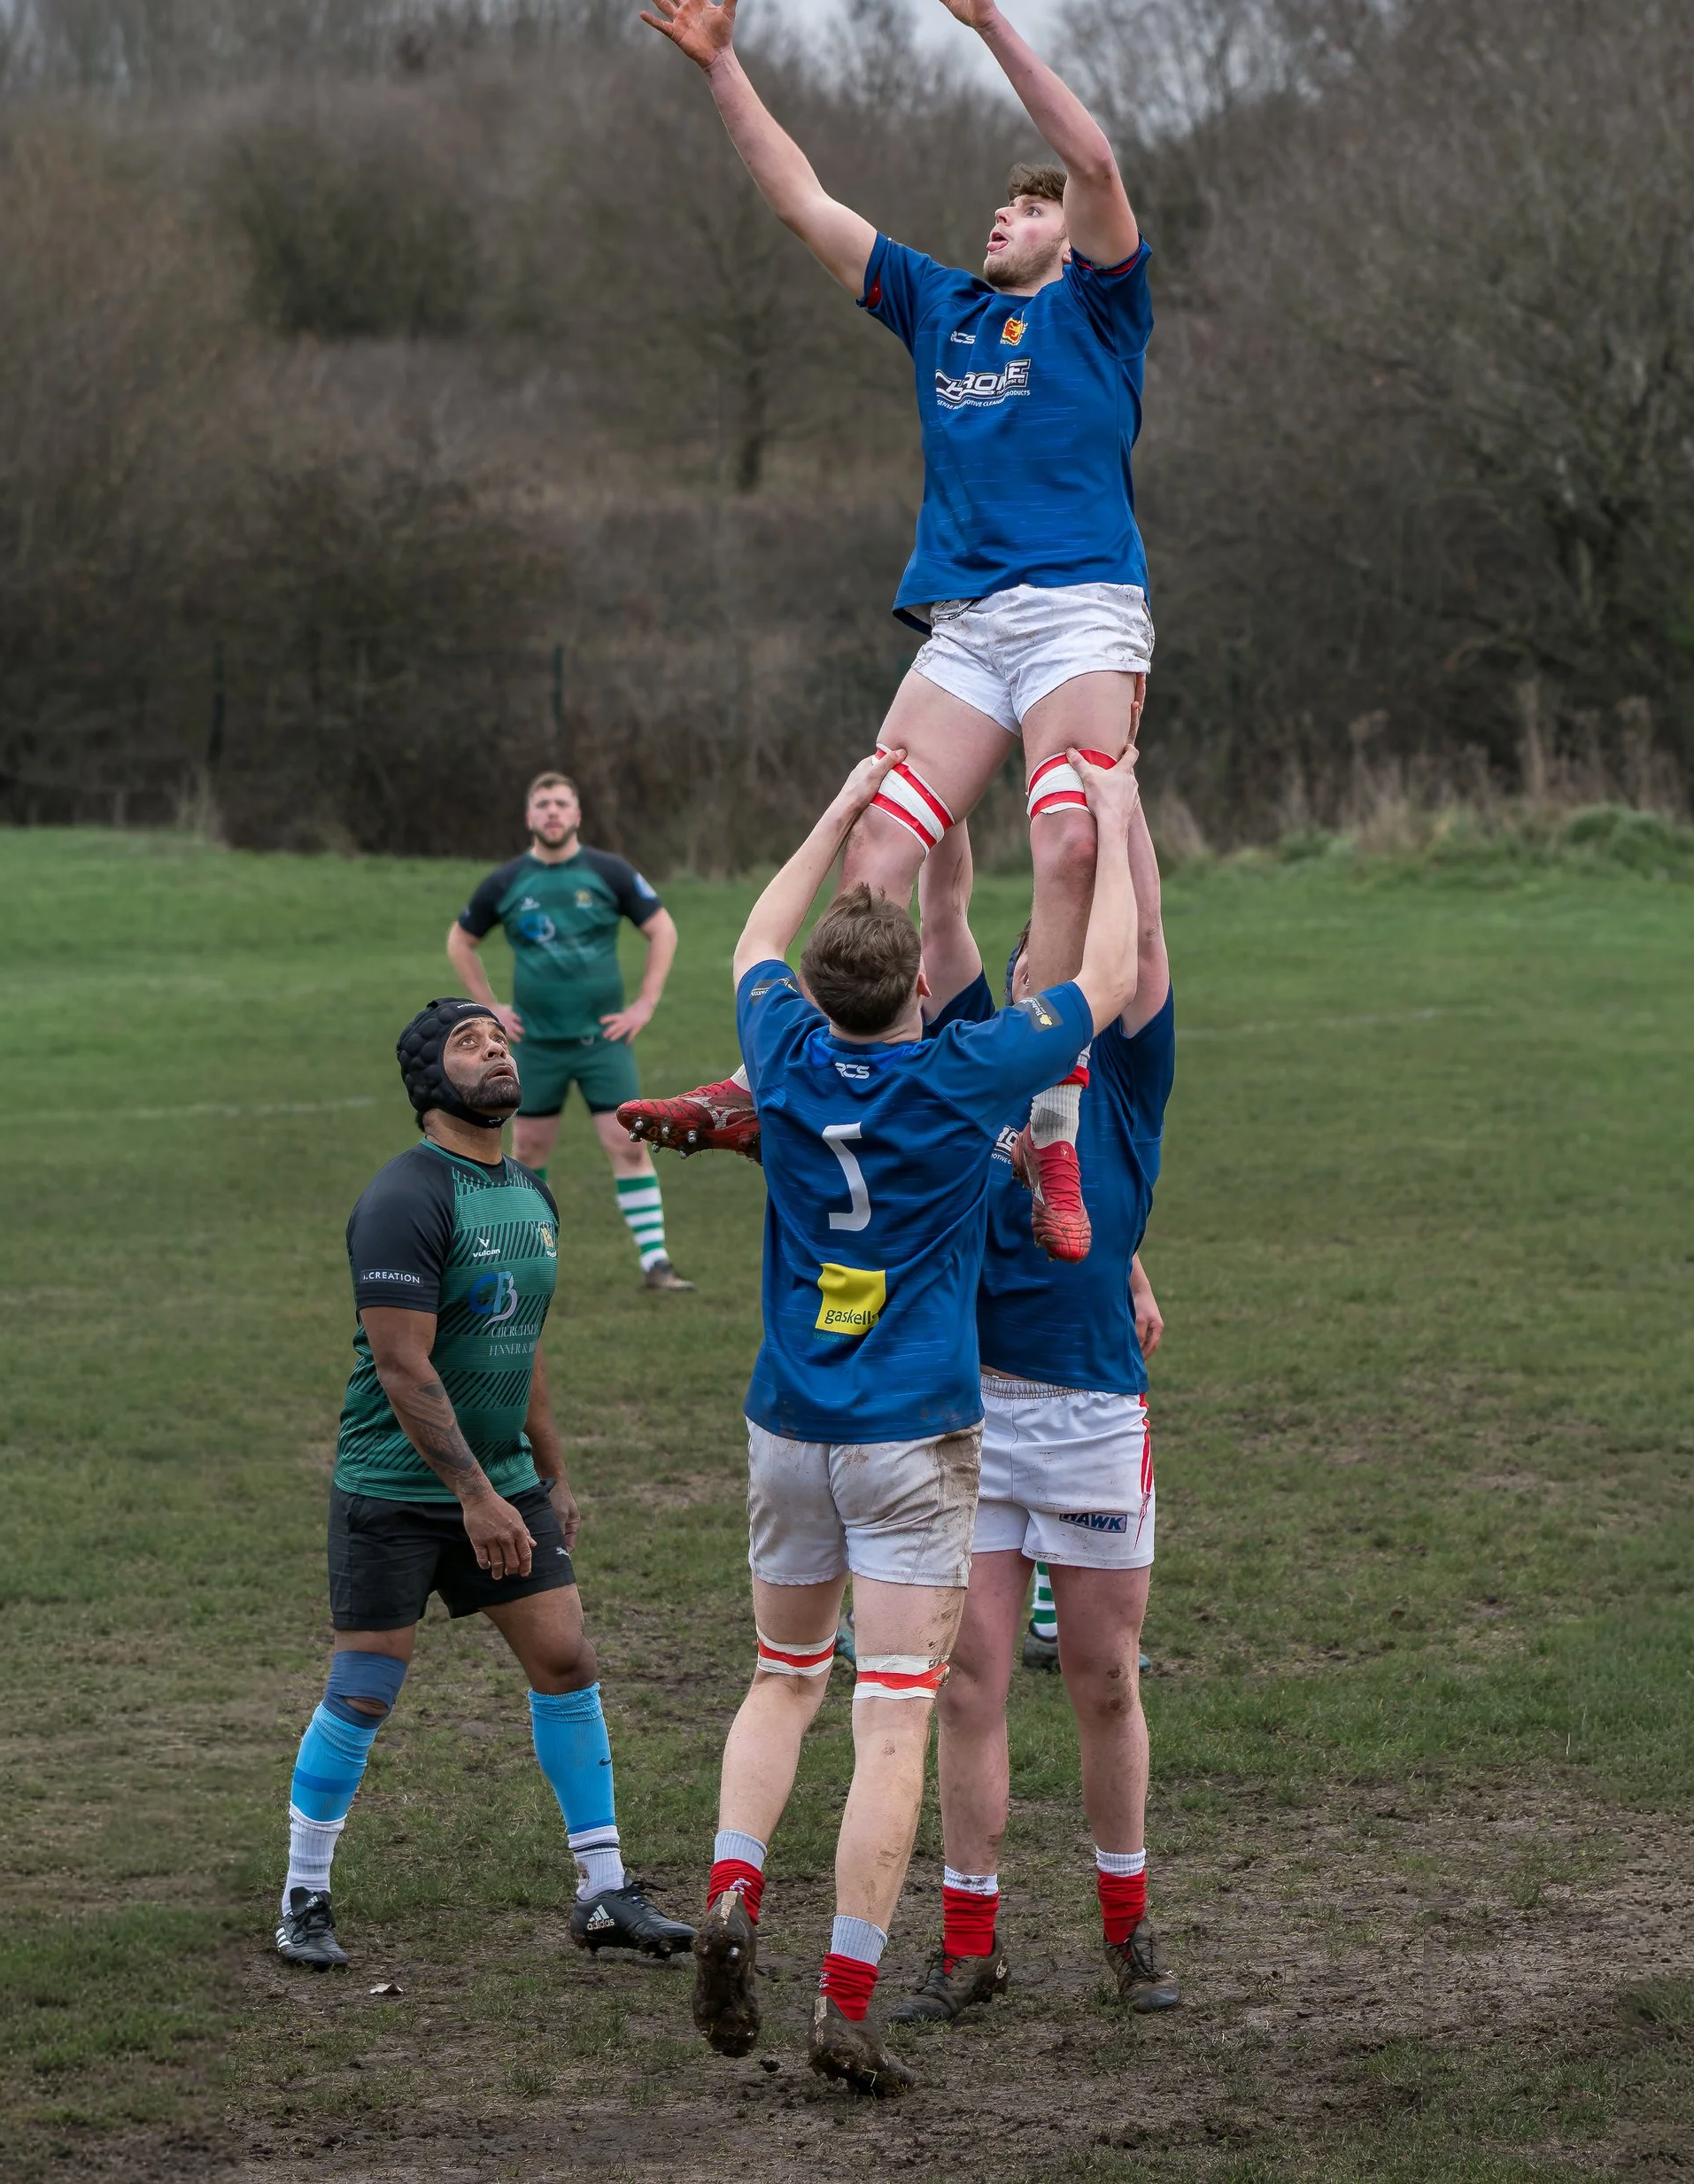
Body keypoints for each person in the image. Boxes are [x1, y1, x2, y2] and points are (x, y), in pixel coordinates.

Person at [631, 0, 1155, 1253]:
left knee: (1074, 846)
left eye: (1027, 213)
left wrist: (992, 29)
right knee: (875, 850)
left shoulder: (1099, 313)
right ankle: (794, 1090)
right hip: (971, 630)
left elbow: (1094, 164)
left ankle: (1047, 1138)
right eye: (1001, 208)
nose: (1007, 218)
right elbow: (804, 201)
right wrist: (723, 71)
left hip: (1083, 611)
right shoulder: (940, 310)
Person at [691, 741, 1141, 2097]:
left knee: (782, 1678)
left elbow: (756, 933)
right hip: (914, 1442)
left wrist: (850, 801)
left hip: (788, 1424)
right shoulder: (962, 1077)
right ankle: (843, 2000)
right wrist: (1112, 823)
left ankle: (728, 1893)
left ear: (819, 992)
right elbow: (1106, 980)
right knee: (893, 1719)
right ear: (913, 997)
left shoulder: (778, 1046)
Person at [275, 998, 694, 1972]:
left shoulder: (531, 1194)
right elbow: (402, 1366)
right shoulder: (406, 1196)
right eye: (469, 1043)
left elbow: (525, 1345)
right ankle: (303, 1891)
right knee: (367, 1684)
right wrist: (473, 1494)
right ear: (429, 1083)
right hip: (394, 1483)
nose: (496, 1049)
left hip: (502, 1481)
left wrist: (547, 1471)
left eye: (499, 1038)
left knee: (565, 1660)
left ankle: (601, 1890)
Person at [886, 795, 1180, 2030]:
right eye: (1025, 962)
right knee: (969, 1685)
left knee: (1105, 1676)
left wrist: (1112, 789)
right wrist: (937, 790)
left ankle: (1129, 1935)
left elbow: (1145, 929)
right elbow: (940, 908)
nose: (1039, 967)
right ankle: (970, 1945)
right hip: (976, 1414)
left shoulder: (1120, 1064)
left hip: (1097, 1412)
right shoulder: (973, 1048)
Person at [449, 772, 690, 1290]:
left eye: (561, 804)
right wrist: (489, 1007)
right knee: (528, 1151)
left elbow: (662, 928)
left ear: (577, 815)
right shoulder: (507, 882)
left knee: (628, 1144)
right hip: (534, 1046)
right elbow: (460, 941)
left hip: (604, 1044)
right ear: (529, 818)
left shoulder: (609, 872)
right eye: (543, 804)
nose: (552, 812)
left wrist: (645, 1003)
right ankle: (521, 1258)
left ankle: (656, 1263)